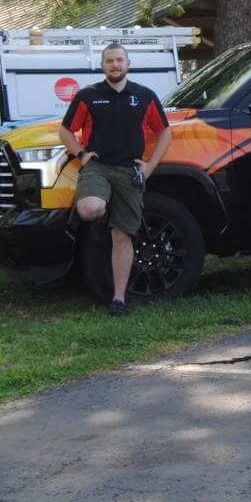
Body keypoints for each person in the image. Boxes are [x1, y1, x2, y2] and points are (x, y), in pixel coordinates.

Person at [58, 42, 173, 314]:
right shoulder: (88, 96)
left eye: (119, 60)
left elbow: (164, 133)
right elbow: (65, 131)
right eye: (110, 61)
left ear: (128, 64)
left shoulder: (145, 96)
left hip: (129, 171)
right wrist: (81, 154)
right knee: (89, 208)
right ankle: (105, 216)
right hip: (98, 167)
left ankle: (119, 299)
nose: (115, 65)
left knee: (123, 237)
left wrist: (149, 167)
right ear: (102, 65)